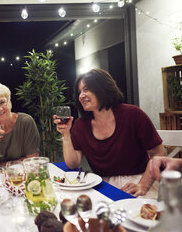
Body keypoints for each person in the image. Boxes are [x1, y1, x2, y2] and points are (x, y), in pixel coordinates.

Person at [53, 69, 165, 198]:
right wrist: (66, 134)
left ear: (103, 88)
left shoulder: (133, 115)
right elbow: (73, 163)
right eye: (79, 92)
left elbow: (158, 153)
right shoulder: (81, 125)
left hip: (137, 181)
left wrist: (143, 185)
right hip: (102, 184)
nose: (81, 96)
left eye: (86, 89)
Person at [0, 82, 40, 170]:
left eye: (2, 102)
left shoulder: (25, 122)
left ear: (10, 103)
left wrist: (0, 165)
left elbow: (31, 160)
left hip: (22, 174)